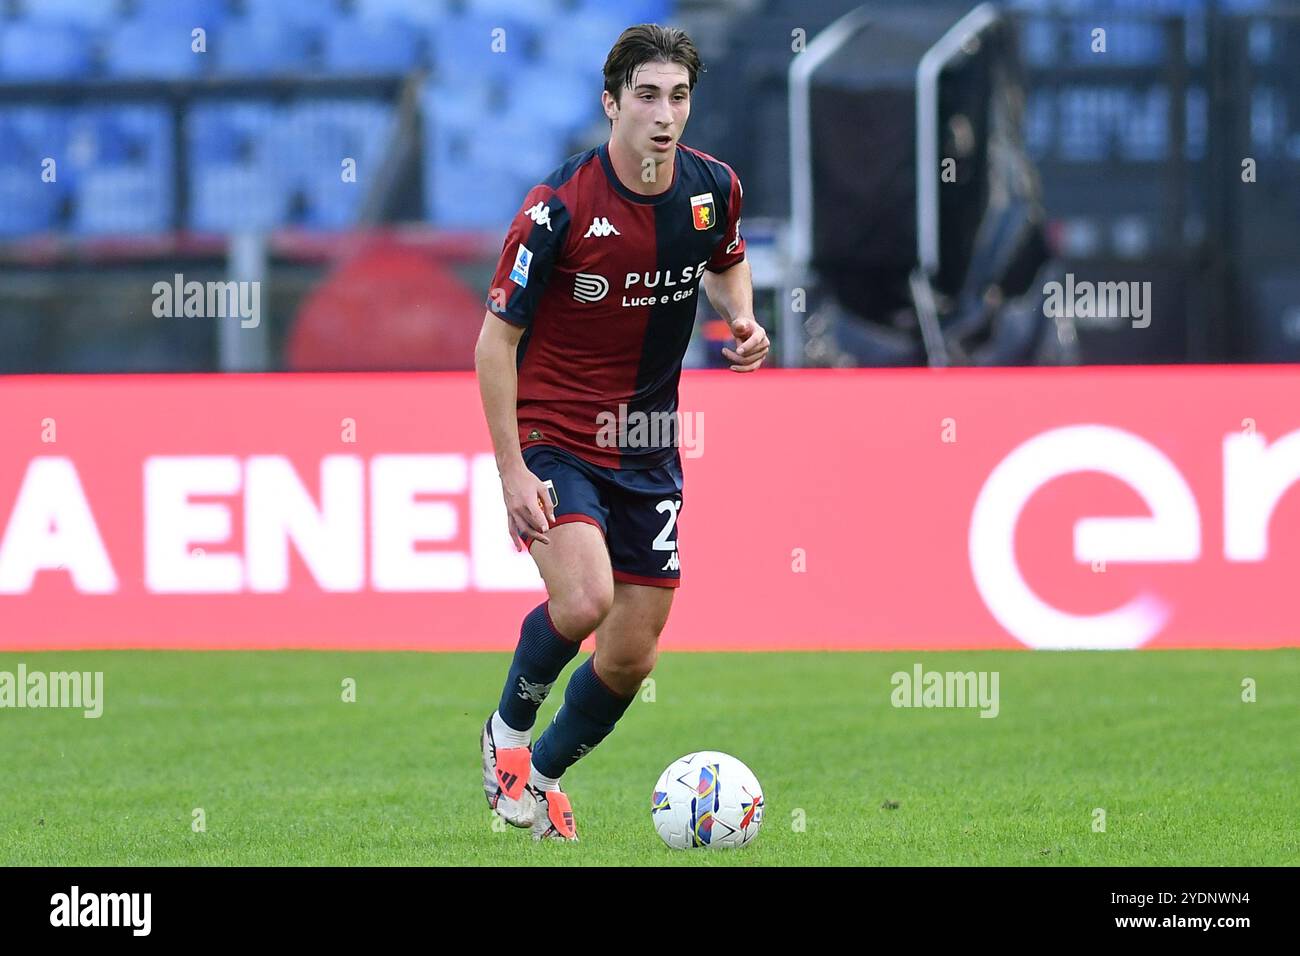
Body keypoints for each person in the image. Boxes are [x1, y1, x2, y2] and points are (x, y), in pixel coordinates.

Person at [474, 23, 768, 841]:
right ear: (611, 103)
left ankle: (541, 777)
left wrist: (741, 317)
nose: (664, 114)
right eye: (646, 95)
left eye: (678, 96)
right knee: (585, 598)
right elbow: (493, 342)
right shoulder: (557, 207)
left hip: (649, 443)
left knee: (632, 654)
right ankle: (505, 736)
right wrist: (509, 472)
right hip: (556, 432)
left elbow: (726, 256)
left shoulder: (713, 188)